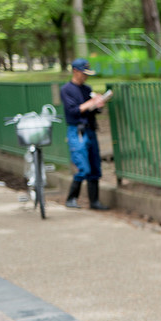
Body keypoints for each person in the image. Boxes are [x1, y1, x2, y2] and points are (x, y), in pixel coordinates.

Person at [61, 58, 111, 210]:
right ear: (75, 71)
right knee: (83, 167)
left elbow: (92, 110)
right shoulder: (66, 90)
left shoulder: (87, 88)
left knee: (95, 166)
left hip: (90, 129)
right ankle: (71, 199)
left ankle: (94, 202)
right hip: (77, 130)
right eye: (84, 73)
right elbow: (73, 111)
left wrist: (98, 105)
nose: (86, 76)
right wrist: (89, 103)